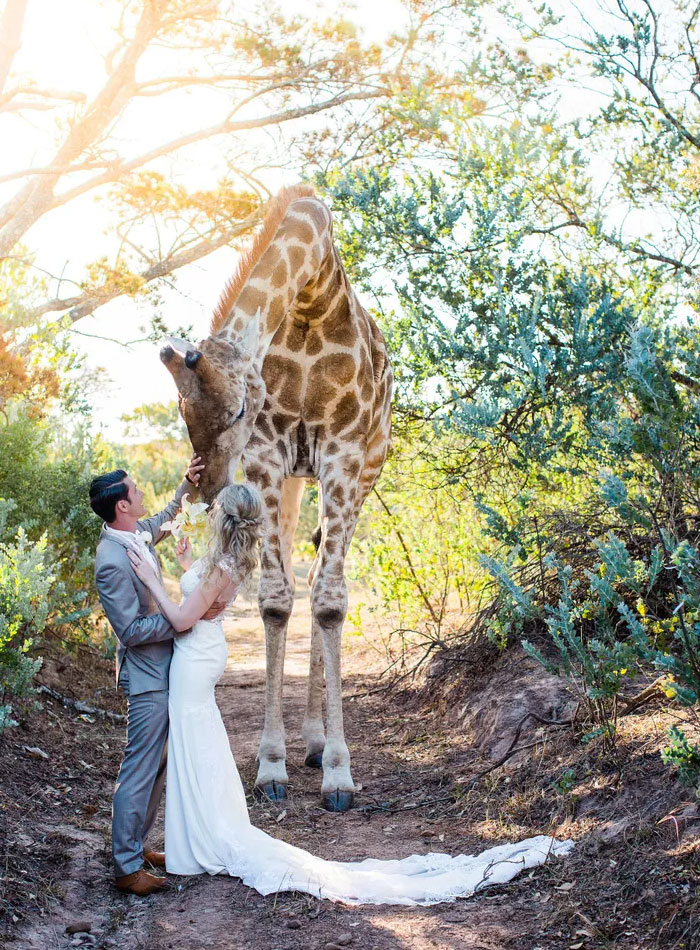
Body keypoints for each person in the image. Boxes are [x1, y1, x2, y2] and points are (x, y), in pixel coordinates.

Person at [127, 481, 574, 906]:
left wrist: (151, 579)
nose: (210, 512)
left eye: (216, 507)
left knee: (194, 739)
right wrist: (186, 569)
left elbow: (185, 619)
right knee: (197, 742)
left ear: (224, 518)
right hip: (201, 655)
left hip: (195, 656)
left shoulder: (224, 565)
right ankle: (194, 840)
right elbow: (202, 597)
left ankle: (203, 839)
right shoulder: (227, 560)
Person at [90, 455, 225, 897]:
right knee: (140, 768)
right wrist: (185, 616)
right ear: (122, 507)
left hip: (165, 670)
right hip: (147, 677)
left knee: (159, 765)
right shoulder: (110, 559)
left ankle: (136, 846)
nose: (141, 492)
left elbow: (166, 519)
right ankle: (126, 867)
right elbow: (130, 631)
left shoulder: (133, 533)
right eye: (135, 490)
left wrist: (187, 485)